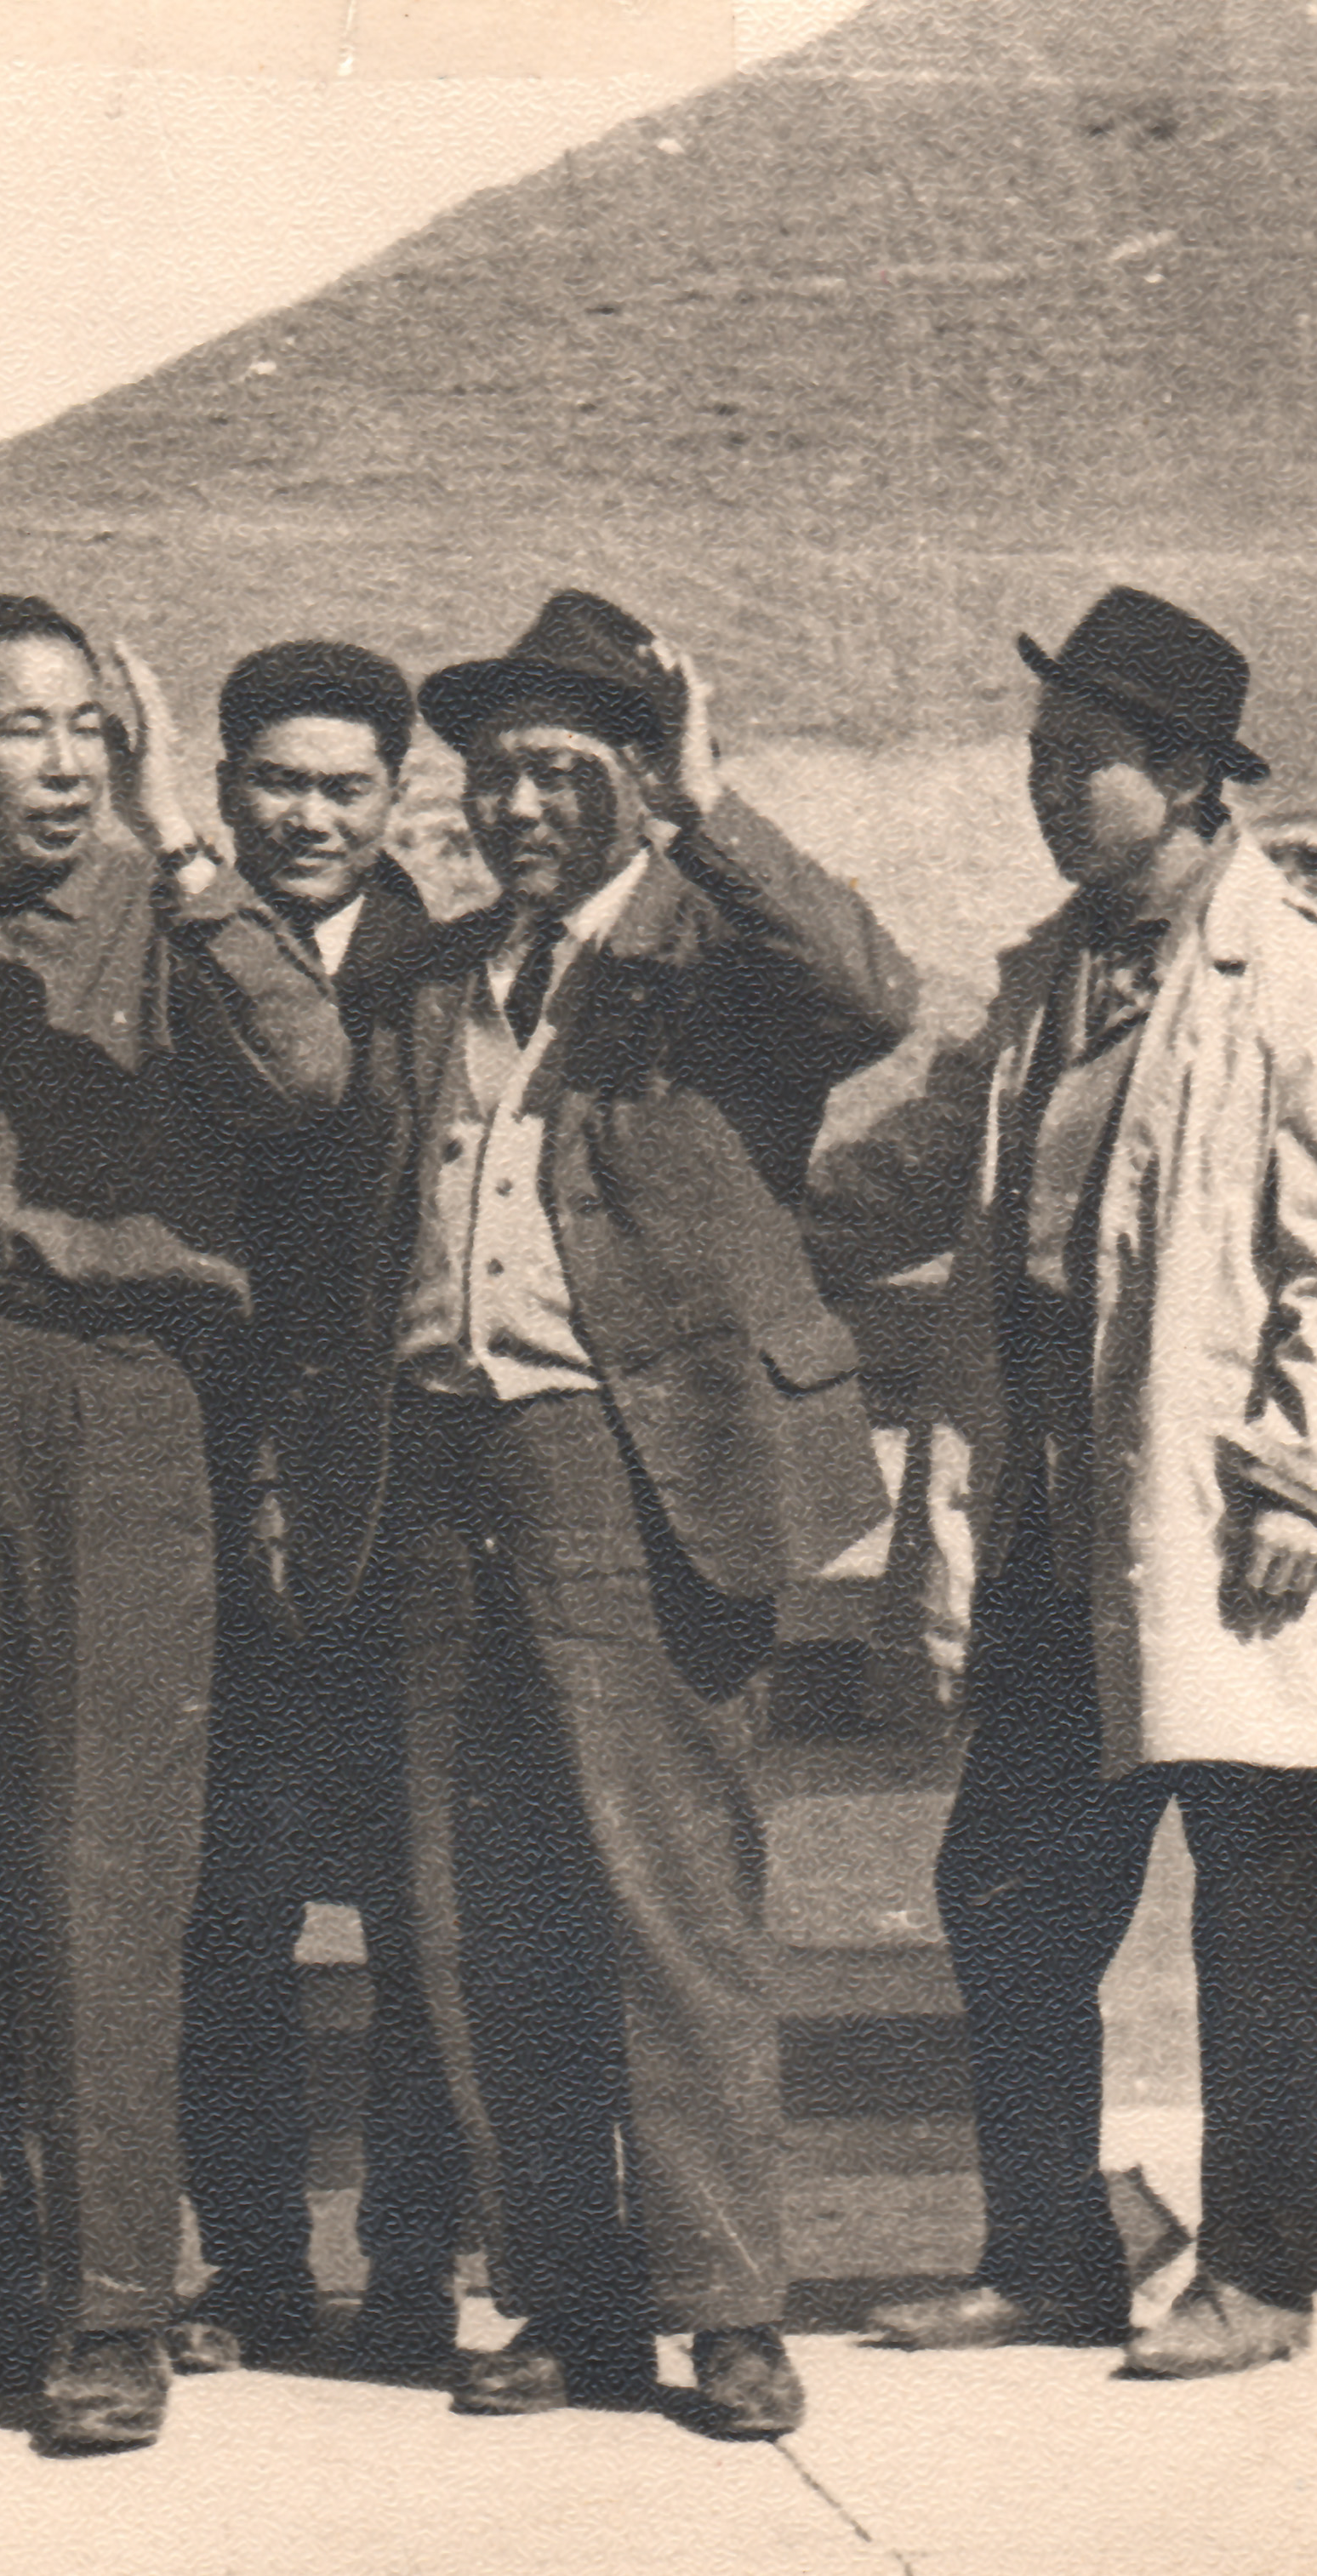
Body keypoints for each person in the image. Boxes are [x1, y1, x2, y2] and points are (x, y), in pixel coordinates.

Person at [814, 587, 1317, 2378]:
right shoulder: (1043, 985)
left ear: (1182, 776)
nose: (1042, 789)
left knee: (1260, 1916)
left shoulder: (1306, 979)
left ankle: (1258, 2281)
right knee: (1006, 1898)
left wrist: (1299, 1483)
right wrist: (700, 1236)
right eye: (1034, 757)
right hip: (1045, 1533)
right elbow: (902, 1182)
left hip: (1225, 1533)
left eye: (1074, 759)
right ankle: (1047, 2261)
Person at [331, 590, 919, 2439]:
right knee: (476, 1908)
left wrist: (704, 810)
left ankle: (727, 2308)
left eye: (563, 773)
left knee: (668, 1895)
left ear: (635, 779)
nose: (517, 808)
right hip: (441, 1469)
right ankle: (563, 2299)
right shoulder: (433, 977)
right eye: (494, 773)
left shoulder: (708, 962)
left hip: (630, 1466)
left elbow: (869, 992)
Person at [0, 594, 350, 2453]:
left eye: (87, 726)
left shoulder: (177, 918)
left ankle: (114, 2308)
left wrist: (184, 850)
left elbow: (308, 1074)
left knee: (107, 1865)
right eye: (20, 727)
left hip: (118, 1403)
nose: (62, 762)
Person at [168, 640, 468, 2384]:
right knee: (227, 1905)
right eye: (275, 782)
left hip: (409, 1509)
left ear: (395, 801)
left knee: (430, 1904)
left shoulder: (452, 970)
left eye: (345, 787)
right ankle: (252, 2268)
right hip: (206, 1499)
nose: (307, 816)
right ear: (224, 791)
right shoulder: (162, 957)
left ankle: (415, 2265)